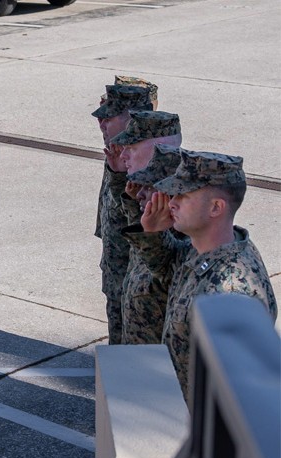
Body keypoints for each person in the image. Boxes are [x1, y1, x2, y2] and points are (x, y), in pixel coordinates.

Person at [127, 150, 277, 401]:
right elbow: (170, 270)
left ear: (216, 207)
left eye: (182, 196)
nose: (171, 202)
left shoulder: (230, 293)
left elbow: (237, 396)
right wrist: (151, 233)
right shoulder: (204, 248)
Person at [90, 84, 153, 344]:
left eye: (109, 118)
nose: (102, 124)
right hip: (116, 271)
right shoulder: (117, 157)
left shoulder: (147, 164)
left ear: (133, 119)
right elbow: (108, 206)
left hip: (138, 283)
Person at [120, 144, 181, 345]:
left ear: (170, 196)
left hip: (158, 368)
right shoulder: (154, 236)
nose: (139, 194)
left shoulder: (182, 248)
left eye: (149, 187)